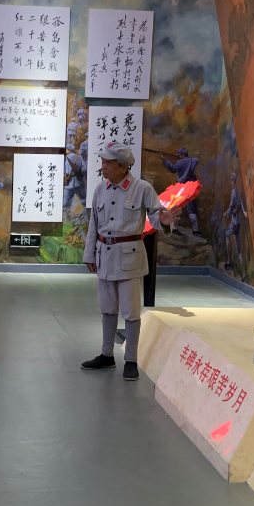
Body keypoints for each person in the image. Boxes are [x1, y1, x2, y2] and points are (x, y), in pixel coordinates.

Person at [81, 142, 173, 381]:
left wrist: (164, 220)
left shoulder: (142, 188)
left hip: (130, 258)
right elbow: (94, 225)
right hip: (104, 256)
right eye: (102, 161)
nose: (103, 166)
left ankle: (131, 360)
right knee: (107, 308)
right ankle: (106, 355)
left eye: (108, 162)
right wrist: (89, 254)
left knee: (131, 311)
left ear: (123, 167)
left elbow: (156, 216)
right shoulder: (100, 189)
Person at [160, 147, 201, 235]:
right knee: (192, 210)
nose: (179, 156)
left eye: (180, 154)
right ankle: (195, 230)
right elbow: (196, 161)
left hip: (182, 188)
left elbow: (173, 170)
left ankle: (174, 228)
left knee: (176, 207)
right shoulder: (194, 160)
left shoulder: (180, 162)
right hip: (191, 188)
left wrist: (164, 160)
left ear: (183, 154)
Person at [224, 172, 247, 271]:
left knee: (226, 235)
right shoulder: (237, 190)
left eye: (231, 180)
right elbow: (241, 203)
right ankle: (243, 272)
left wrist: (226, 213)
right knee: (238, 250)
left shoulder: (233, 192)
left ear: (233, 181)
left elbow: (231, 206)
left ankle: (229, 262)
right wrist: (244, 212)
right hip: (238, 223)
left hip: (234, 222)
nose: (231, 182)